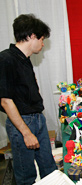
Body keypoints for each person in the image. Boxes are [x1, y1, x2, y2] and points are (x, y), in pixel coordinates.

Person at [0, 14, 57, 185]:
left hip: (37, 119)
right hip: (22, 123)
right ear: (32, 36)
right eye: (41, 39)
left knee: (49, 168)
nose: (42, 43)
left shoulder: (25, 60)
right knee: (26, 175)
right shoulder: (6, 59)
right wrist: (26, 133)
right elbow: (5, 101)